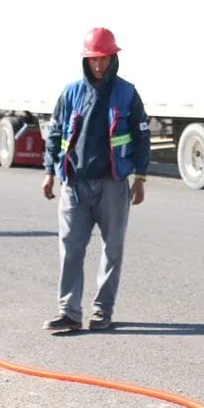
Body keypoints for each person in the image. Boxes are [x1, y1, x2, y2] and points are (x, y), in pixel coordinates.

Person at [41, 27, 150, 333]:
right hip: (74, 185)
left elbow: (142, 137)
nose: (99, 66)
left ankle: (102, 310)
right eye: (93, 60)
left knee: (112, 249)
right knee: (71, 249)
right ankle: (69, 312)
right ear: (85, 61)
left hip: (113, 184)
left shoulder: (127, 93)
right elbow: (54, 133)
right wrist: (49, 172)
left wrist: (140, 177)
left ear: (113, 58)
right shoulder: (71, 92)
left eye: (104, 59)